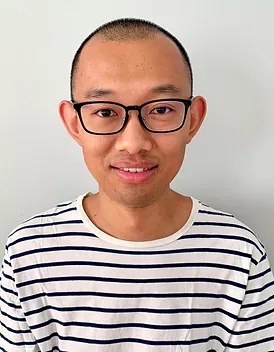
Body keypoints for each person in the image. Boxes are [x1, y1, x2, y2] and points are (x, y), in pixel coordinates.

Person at [0, 18, 273, 352]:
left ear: (193, 120)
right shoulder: (29, 254)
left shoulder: (238, 254)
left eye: (161, 109)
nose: (133, 142)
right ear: (74, 124)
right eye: (104, 112)